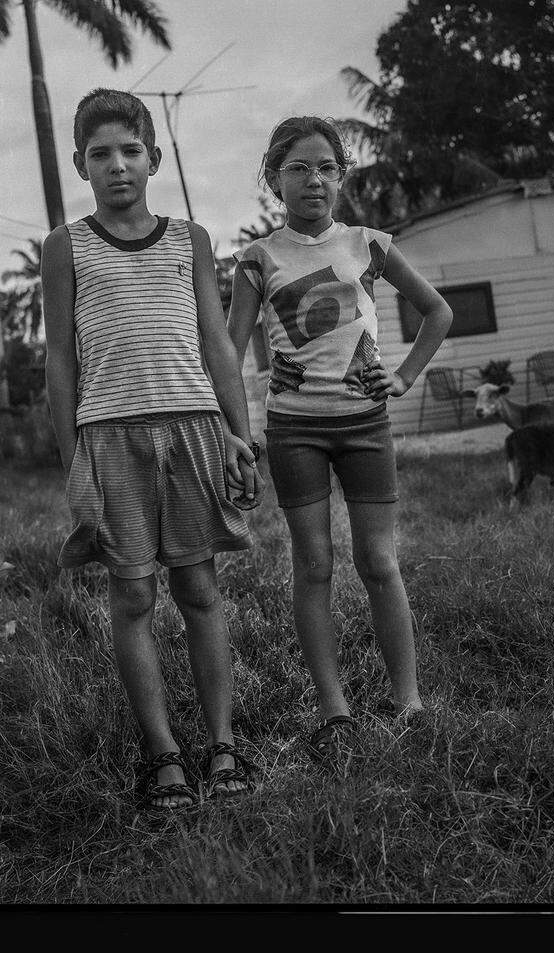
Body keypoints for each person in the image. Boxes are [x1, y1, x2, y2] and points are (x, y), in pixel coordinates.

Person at [41, 88, 263, 811]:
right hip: (110, 435)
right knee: (133, 591)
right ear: (80, 164)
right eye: (100, 153)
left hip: (193, 428)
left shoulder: (189, 239)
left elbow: (216, 342)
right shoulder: (65, 246)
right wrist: (71, 459)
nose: (117, 165)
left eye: (130, 150)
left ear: (154, 158)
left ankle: (223, 742)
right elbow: (60, 362)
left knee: (199, 587)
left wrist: (241, 432)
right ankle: (163, 751)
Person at [226, 115, 453, 761]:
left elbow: (438, 311)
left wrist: (404, 377)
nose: (314, 179)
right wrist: (242, 424)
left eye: (326, 166)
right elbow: (231, 347)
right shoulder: (256, 259)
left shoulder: (369, 243)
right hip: (294, 431)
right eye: (298, 167)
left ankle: (407, 698)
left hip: (365, 426)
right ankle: (334, 706)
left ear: (341, 176)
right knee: (315, 564)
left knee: (379, 562)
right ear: (274, 178)